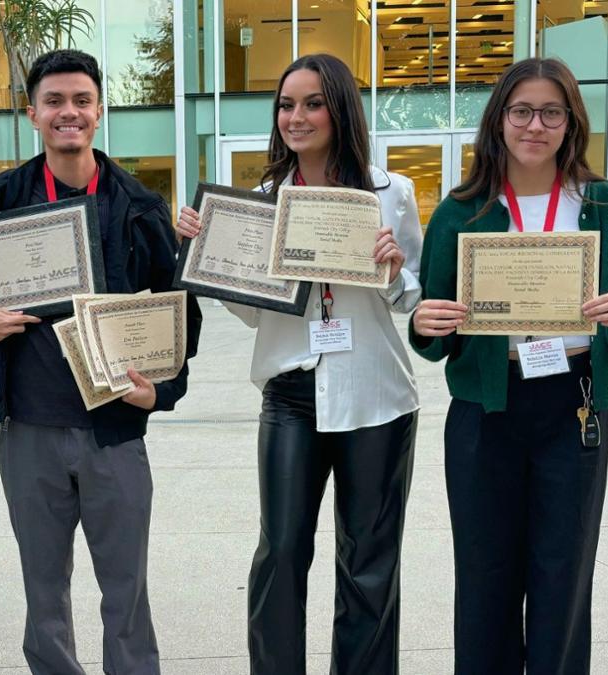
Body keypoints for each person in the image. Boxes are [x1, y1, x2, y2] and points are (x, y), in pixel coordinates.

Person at [0, 49, 201, 675]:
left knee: (126, 590)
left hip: (112, 429)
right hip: (29, 426)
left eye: (82, 101)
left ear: (98, 111)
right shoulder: (5, 197)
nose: (70, 112)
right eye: (55, 101)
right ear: (33, 112)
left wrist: (160, 392)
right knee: (44, 589)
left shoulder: (138, 205)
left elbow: (179, 314)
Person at [176, 53, 422, 675]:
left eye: (312, 103)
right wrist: (213, 260)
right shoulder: (258, 205)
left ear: (339, 109)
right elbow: (261, 317)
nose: (297, 116)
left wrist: (393, 273)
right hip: (291, 393)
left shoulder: (391, 193)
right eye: (286, 105)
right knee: (280, 553)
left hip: (377, 397)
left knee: (368, 561)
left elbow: (416, 299)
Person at [411, 57, 608, 674]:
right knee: (485, 571)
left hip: (573, 407)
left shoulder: (606, 206)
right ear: (499, 121)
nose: (535, 126)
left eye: (552, 112)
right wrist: (424, 325)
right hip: (484, 412)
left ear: (571, 123)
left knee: (563, 571)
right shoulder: (460, 211)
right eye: (521, 111)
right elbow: (433, 327)